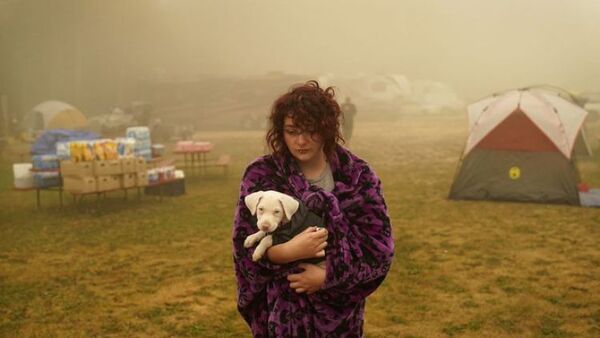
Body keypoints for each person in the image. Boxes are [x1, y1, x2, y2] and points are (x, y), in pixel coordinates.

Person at [232, 80, 394, 337]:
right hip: (281, 318)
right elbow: (243, 246)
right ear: (280, 131)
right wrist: (284, 253)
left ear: (327, 129)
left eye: (311, 131)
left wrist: (327, 276)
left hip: (339, 320)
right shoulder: (262, 175)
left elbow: (378, 251)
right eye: (292, 131)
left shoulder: (357, 176)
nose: (301, 141)